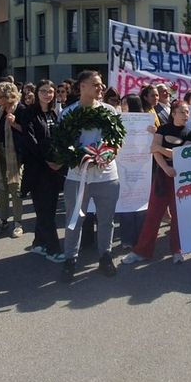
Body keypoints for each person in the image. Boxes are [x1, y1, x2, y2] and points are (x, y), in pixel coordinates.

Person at [61, 71, 122, 281]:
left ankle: (105, 256)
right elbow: (62, 145)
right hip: (77, 177)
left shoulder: (110, 111)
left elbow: (117, 143)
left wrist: (105, 155)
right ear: (82, 86)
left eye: (101, 84)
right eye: (96, 84)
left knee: (106, 220)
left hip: (107, 177)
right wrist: (80, 158)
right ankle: (70, 259)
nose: (101, 87)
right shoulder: (68, 113)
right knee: (74, 220)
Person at [123, 100, 191, 265]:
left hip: (181, 178)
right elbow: (154, 149)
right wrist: (165, 167)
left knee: (178, 216)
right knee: (153, 214)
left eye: (187, 112)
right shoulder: (163, 129)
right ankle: (141, 251)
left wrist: (161, 149)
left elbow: (180, 154)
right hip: (162, 177)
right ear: (174, 113)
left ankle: (177, 250)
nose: (186, 115)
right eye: (182, 111)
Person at [18, 80, 65, 261]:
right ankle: (53, 249)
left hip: (54, 169)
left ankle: (39, 243)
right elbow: (30, 141)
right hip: (38, 170)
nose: (47, 94)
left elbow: (59, 138)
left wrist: (59, 160)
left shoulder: (54, 113)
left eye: (50, 91)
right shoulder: (29, 113)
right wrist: (48, 160)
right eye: (43, 91)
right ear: (37, 93)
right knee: (44, 210)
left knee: (49, 209)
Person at [0, 82, 25, 239]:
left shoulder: (21, 109)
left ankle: (18, 223)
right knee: (1, 186)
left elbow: (28, 131)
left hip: (15, 154)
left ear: (9, 96)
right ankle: (3, 220)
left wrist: (14, 124)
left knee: (15, 187)